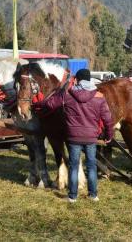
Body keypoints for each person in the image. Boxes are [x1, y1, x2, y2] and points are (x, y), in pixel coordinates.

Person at [33, 69, 114, 202]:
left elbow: (50, 103)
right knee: (91, 166)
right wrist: (109, 135)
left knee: (74, 166)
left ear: (77, 80)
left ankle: (72, 196)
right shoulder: (99, 96)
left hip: (74, 138)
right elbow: (107, 118)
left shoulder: (68, 95)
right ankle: (93, 195)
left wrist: (36, 103)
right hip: (91, 138)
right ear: (89, 80)